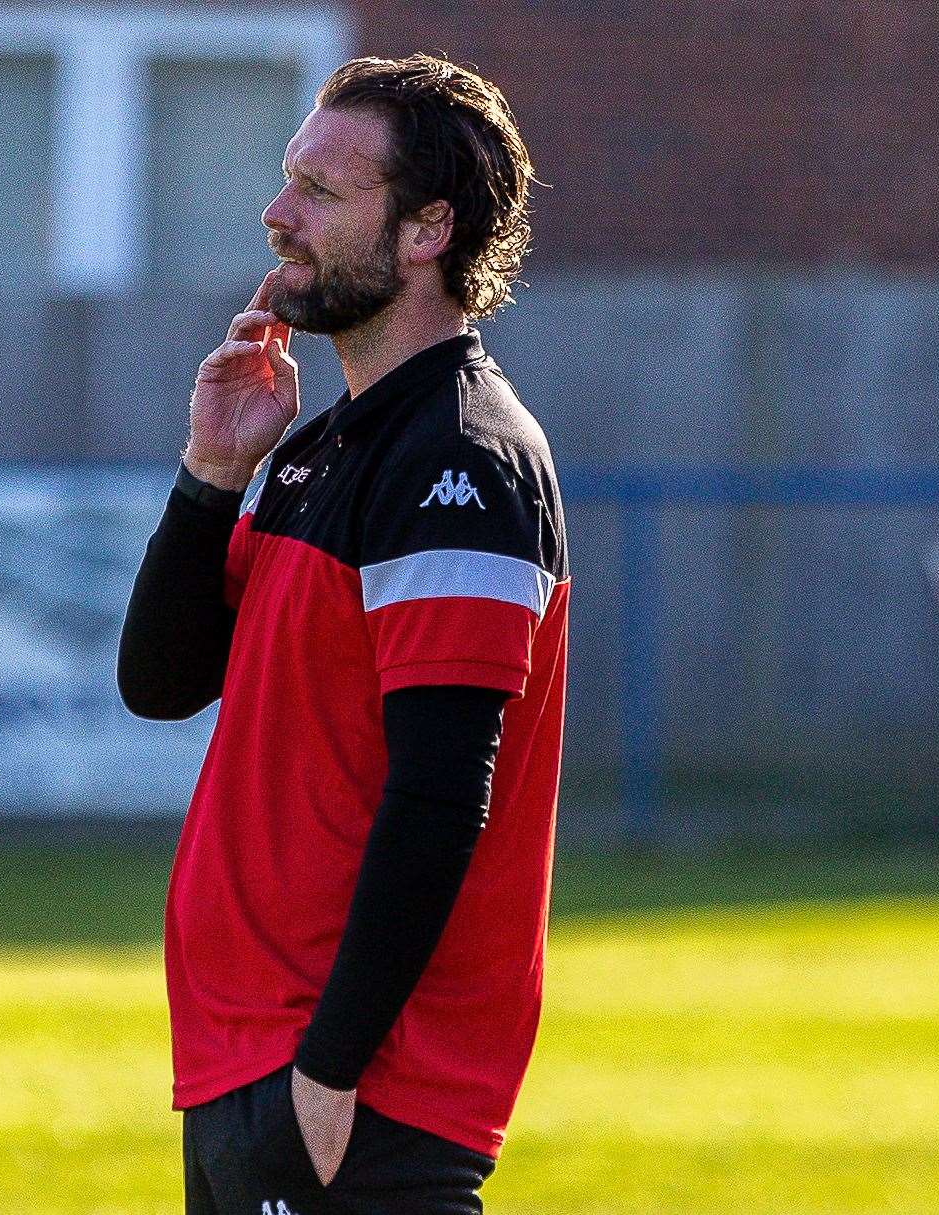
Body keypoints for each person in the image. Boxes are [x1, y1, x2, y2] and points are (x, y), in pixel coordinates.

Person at [119, 53, 568, 1215]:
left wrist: (328, 1070)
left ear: (427, 230)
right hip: (246, 1064)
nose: (276, 217)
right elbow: (161, 685)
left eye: (320, 191)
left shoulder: (460, 460)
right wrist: (214, 471)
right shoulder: (326, 446)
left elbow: (437, 797)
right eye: (286, 181)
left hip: (354, 1089)